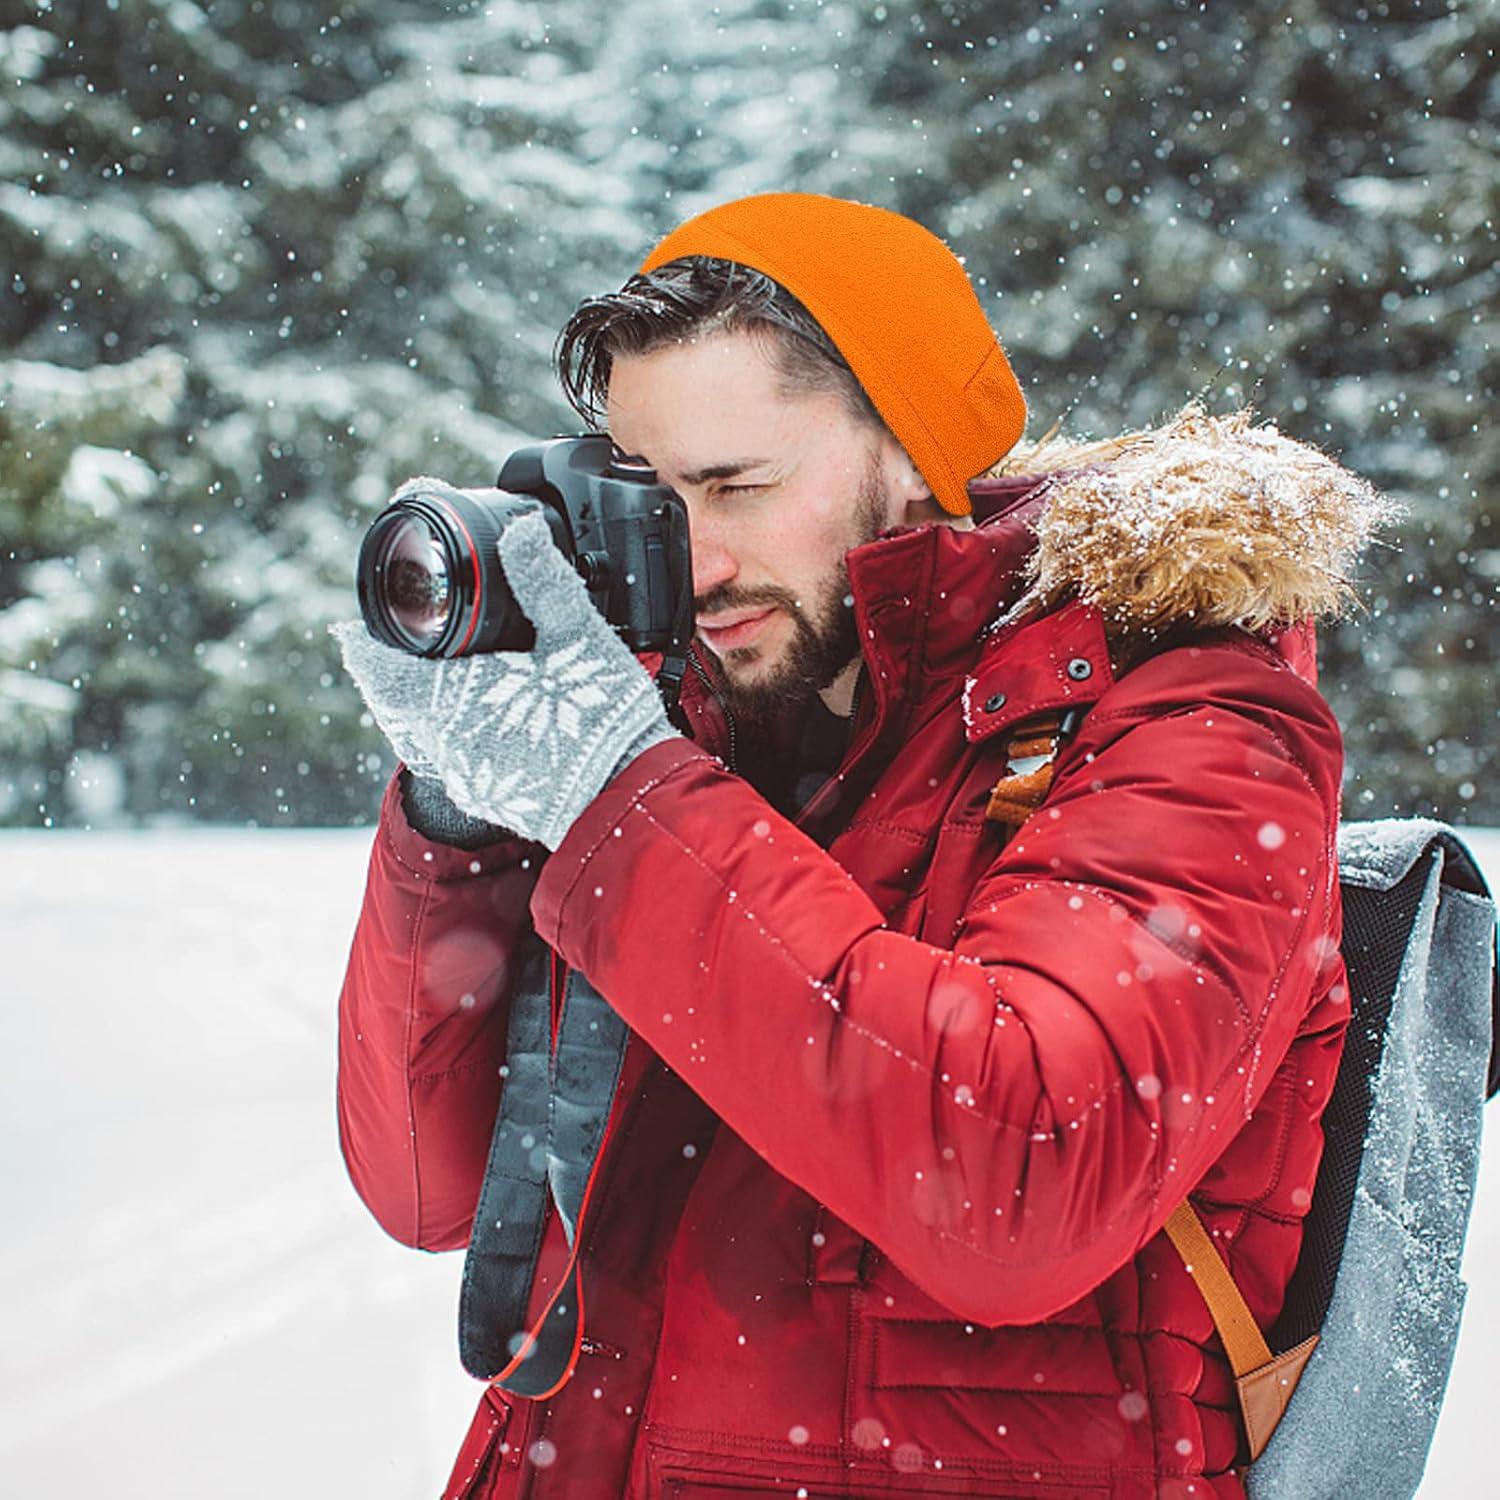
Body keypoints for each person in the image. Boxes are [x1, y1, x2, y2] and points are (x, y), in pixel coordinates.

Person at [334, 192, 1390, 1499]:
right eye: (656, 502)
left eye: (740, 484)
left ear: (914, 454)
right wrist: (456, 813)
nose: (698, 561)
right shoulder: (684, 740)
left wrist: (622, 795)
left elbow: (1020, 1183)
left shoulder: (1195, 723)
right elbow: (427, 1185)